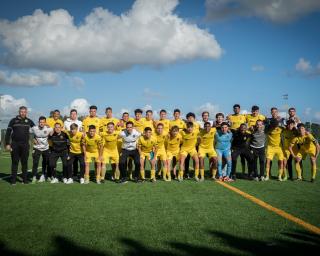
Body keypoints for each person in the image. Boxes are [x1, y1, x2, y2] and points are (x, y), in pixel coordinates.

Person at [5, 106, 35, 185]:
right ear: (19, 112)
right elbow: (8, 132)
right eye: (21, 111)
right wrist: (7, 144)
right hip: (15, 144)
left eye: (24, 112)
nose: (23, 113)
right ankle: (13, 181)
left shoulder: (29, 121)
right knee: (15, 162)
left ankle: (24, 180)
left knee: (24, 162)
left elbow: (36, 130)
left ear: (26, 112)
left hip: (25, 145)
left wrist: (35, 138)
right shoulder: (13, 120)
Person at [30, 116, 52, 183]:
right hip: (37, 148)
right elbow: (28, 133)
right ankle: (34, 176)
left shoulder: (48, 129)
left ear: (45, 122)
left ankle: (45, 175)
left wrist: (48, 126)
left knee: (46, 162)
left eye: (43, 122)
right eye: (40, 122)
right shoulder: (34, 128)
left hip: (46, 148)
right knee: (35, 162)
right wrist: (32, 139)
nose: (41, 123)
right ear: (38, 122)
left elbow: (53, 132)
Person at [227, 104, 247, 175]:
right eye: (235, 108)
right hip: (233, 136)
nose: (236, 110)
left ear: (239, 109)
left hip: (241, 137)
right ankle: (231, 171)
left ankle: (243, 171)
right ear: (233, 109)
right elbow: (228, 126)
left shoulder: (243, 117)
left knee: (243, 157)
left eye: (237, 108)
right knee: (232, 156)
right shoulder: (230, 116)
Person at [64, 109, 83, 179]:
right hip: (69, 143)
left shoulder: (80, 122)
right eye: (72, 114)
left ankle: (75, 174)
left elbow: (81, 131)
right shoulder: (66, 122)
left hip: (78, 143)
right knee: (70, 160)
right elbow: (64, 131)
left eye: (74, 114)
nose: (73, 115)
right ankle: (68, 175)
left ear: (76, 115)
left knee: (77, 160)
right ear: (70, 114)